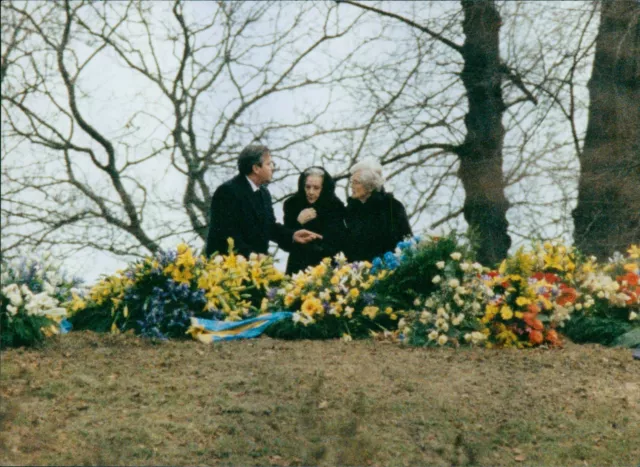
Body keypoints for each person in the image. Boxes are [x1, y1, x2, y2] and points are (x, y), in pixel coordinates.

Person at [205, 145, 321, 258]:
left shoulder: (264, 193)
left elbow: (269, 227)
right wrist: (251, 255)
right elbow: (226, 233)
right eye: (269, 164)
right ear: (256, 168)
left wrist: (293, 235)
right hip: (227, 267)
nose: (273, 168)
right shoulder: (228, 191)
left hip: (256, 267)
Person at [344, 157, 412, 262]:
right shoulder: (349, 211)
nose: (351, 186)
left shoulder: (392, 206)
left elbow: (406, 241)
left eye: (356, 182)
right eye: (351, 182)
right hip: (354, 271)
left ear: (370, 186)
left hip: (387, 268)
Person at [283, 167, 346, 274]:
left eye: (316, 188)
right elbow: (285, 241)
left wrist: (319, 239)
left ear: (324, 188)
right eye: (307, 187)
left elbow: (338, 241)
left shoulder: (335, 206)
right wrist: (298, 222)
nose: (310, 192)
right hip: (298, 265)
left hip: (326, 266)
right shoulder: (292, 204)